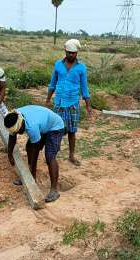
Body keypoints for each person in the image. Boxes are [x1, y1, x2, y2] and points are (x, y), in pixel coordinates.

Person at [4, 105, 65, 203]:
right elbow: (12, 138)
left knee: (50, 157)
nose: (19, 133)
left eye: (19, 131)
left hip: (55, 127)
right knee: (29, 147)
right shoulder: (13, 118)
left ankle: (54, 190)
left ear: (22, 124)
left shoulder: (32, 126)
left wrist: (32, 166)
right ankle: (31, 177)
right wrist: (9, 154)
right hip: (43, 124)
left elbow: (35, 152)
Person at [45, 38, 92, 166]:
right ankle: (52, 155)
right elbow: (52, 83)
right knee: (56, 130)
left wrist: (88, 105)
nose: (71, 55)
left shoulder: (81, 68)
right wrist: (48, 99)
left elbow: (84, 87)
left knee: (72, 131)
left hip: (73, 103)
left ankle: (71, 155)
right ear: (65, 51)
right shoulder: (58, 65)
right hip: (59, 102)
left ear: (77, 53)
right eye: (69, 52)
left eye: (73, 53)